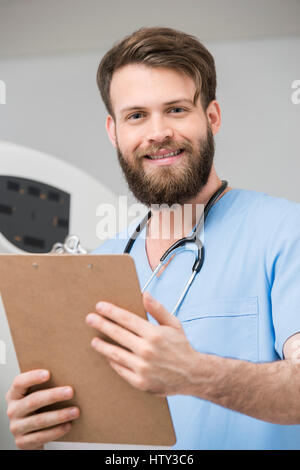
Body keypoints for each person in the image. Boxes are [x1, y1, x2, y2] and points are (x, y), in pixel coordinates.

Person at [5, 26, 300, 450]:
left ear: (212, 117)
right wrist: (41, 430)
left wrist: (194, 373)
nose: (157, 133)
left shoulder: (283, 231)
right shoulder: (97, 265)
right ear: (114, 131)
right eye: (137, 115)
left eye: (176, 110)